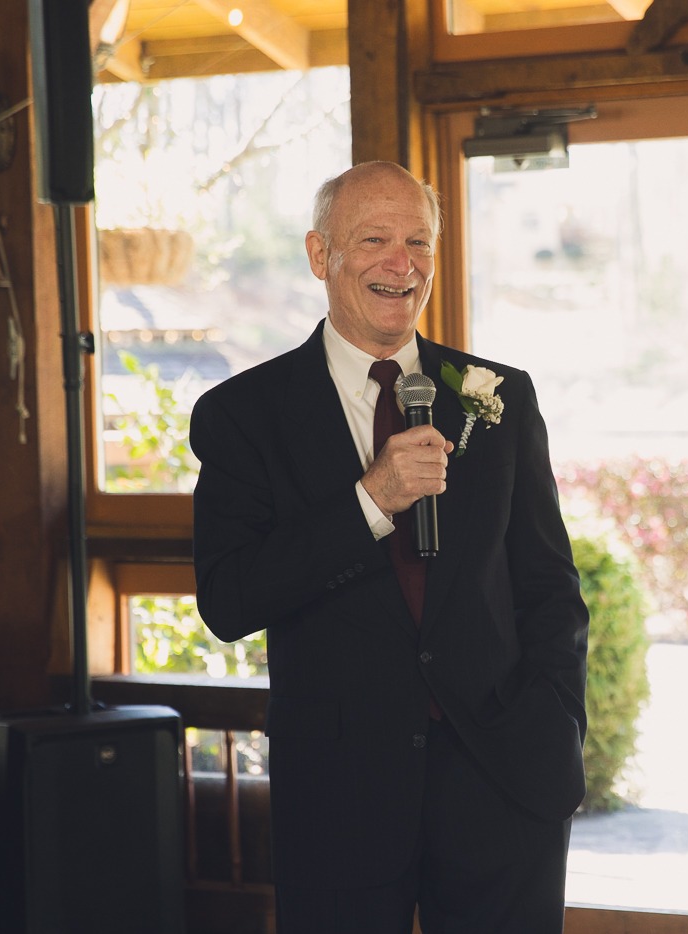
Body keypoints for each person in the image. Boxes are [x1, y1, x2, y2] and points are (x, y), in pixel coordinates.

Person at [189, 160, 589, 934]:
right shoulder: (244, 415)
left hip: (502, 778)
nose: (399, 263)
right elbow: (230, 600)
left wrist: (553, 725)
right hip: (341, 795)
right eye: (372, 239)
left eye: (418, 241)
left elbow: (548, 587)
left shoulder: (499, 396)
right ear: (319, 255)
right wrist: (371, 500)